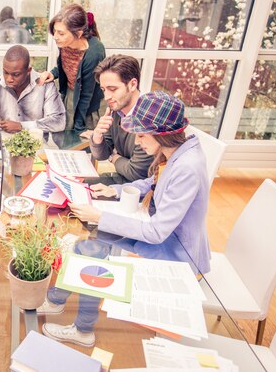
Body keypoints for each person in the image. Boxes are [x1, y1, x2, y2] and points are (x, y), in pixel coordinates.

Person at [40, 91, 211, 347]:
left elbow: (156, 233)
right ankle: (56, 300)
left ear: (161, 133)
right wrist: (115, 190)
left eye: (142, 135)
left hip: (175, 256)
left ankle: (83, 329)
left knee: (91, 250)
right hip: (163, 240)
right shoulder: (177, 151)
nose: (138, 141)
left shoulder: (186, 167)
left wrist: (101, 215)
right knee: (88, 241)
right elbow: (153, 181)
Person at [37, 3, 106, 134]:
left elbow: (86, 94)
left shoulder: (94, 52)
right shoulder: (65, 42)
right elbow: (67, 65)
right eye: (55, 31)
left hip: (88, 105)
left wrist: (79, 128)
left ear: (78, 33)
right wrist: (53, 73)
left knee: (82, 144)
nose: (55, 36)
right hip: (71, 95)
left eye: (61, 33)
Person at [89, 54, 153, 185]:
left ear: (132, 85)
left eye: (112, 89)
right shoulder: (116, 110)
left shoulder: (149, 118)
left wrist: (113, 157)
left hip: (141, 189)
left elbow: (136, 172)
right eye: (103, 90)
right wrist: (97, 136)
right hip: (122, 178)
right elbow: (101, 155)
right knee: (76, 184)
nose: (107, 96)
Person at [0, 45, 65, 133]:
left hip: (35, 145)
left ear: (28, 71)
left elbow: (58, 122)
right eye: (6, 72)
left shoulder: (45, 85)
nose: (9, 79)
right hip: (3, 144)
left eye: (16, 74)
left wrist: (21, 126)